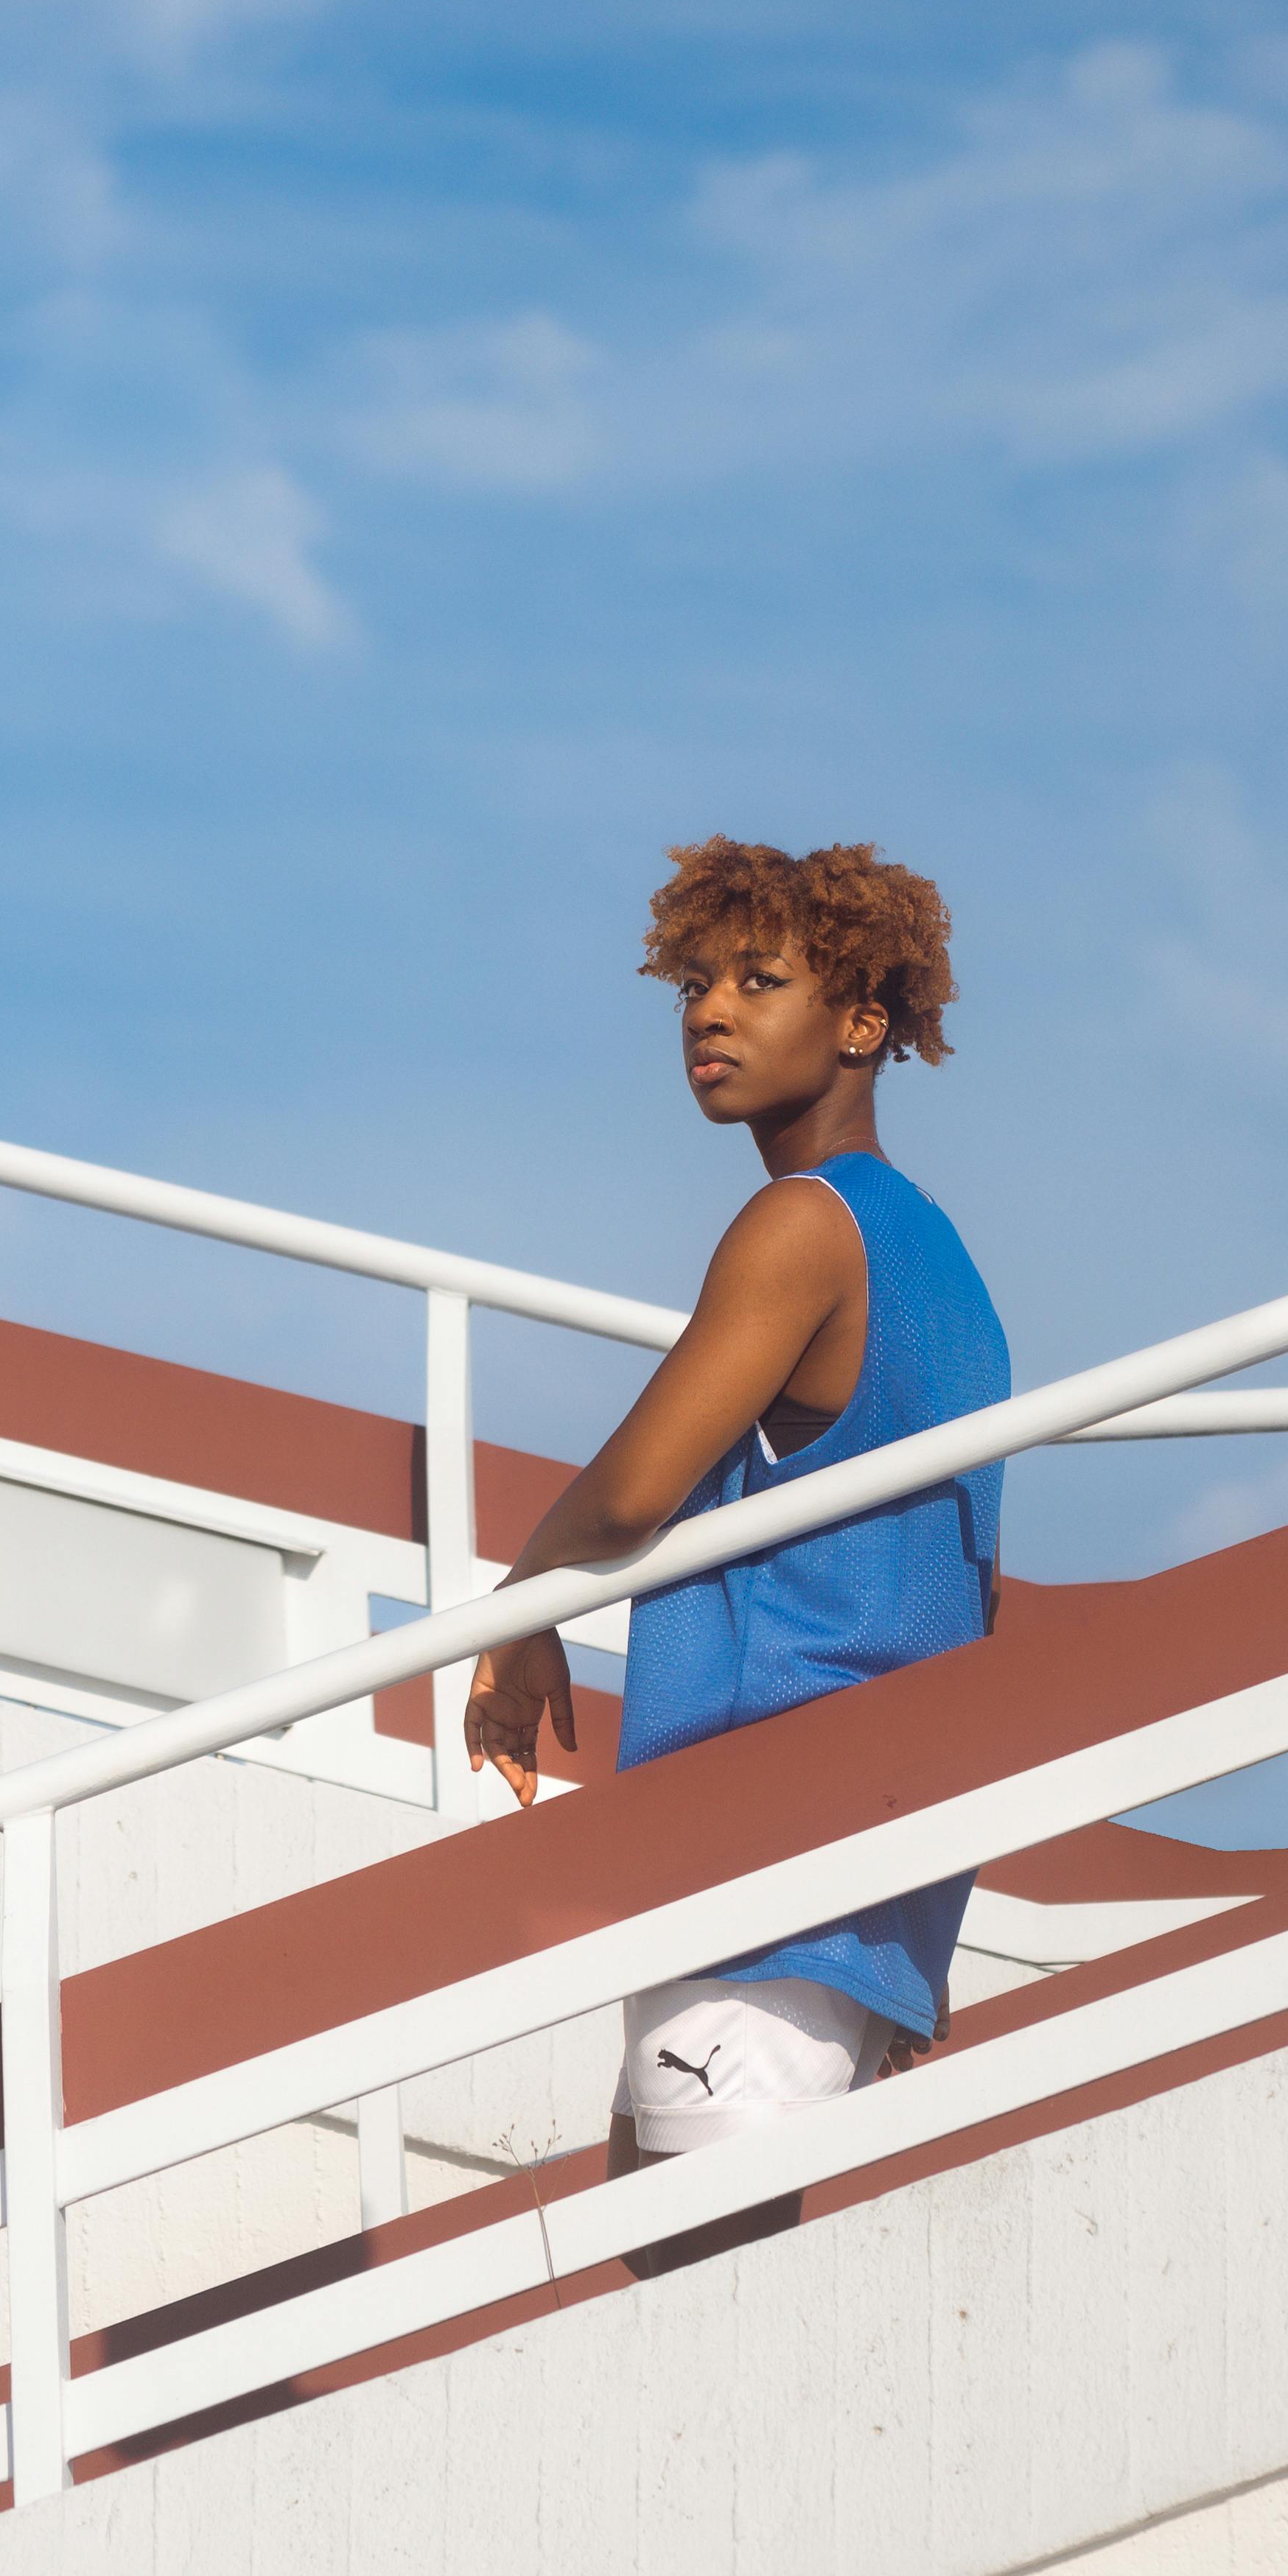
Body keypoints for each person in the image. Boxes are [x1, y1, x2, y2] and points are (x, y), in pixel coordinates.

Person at [466, 837, 1009, 2162]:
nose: (711, 1011)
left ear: (863, 1021)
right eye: (696, 985)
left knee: (689, 2287)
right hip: (874, 1862)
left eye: (760, 980)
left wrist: (518, 1605)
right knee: (713, 2295)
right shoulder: (941, 1258)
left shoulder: (802, 1228)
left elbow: (634, 1488)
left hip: (769, 1836)